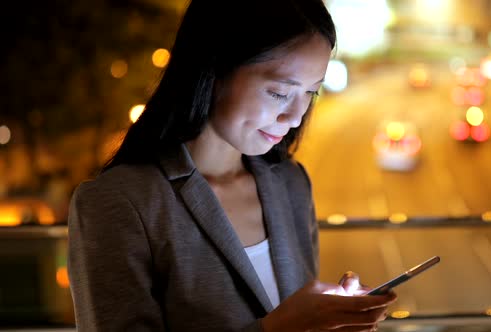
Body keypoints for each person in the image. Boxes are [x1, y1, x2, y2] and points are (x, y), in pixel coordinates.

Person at [67, 0, 397, 331]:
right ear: (214, 70)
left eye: (311, 93)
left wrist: (330, 318)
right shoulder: (119, 203)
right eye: (280, 93)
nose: (295, 117)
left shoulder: (290, 182)